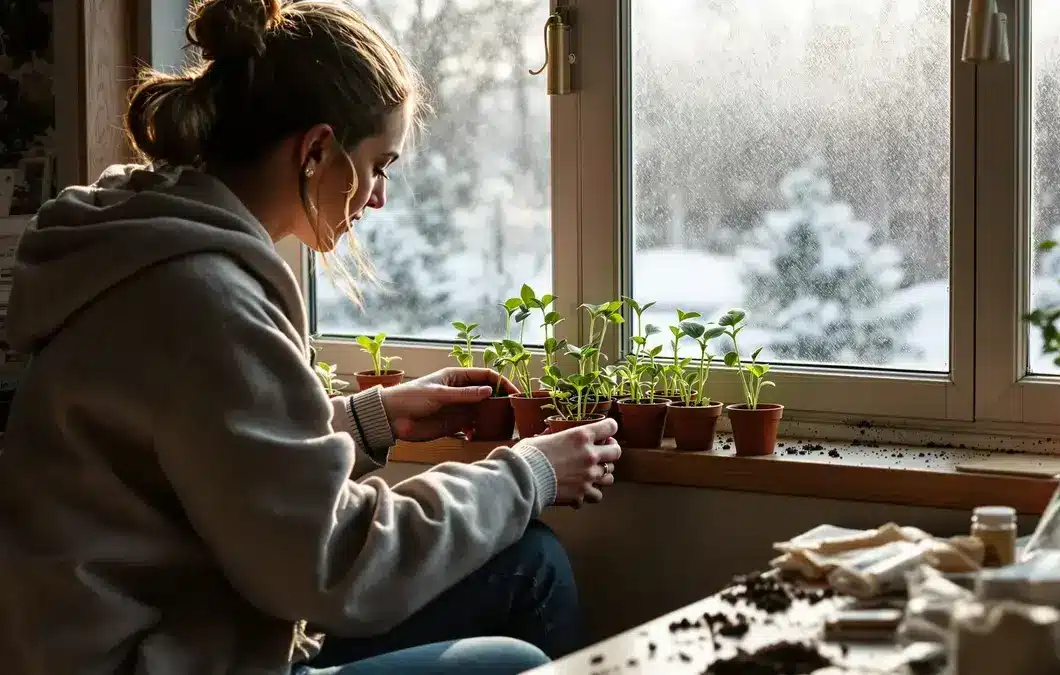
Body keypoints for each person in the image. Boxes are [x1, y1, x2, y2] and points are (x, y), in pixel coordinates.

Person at [0, 0, 623, 673]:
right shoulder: (205, 299)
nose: (379, 197)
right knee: (512, 649)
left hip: (160, 638)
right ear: (317, 150)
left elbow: (217, 453)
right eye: (379, 164)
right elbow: (335, 564)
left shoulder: (147, 247)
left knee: (530, 559)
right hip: (151, 660)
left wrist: (369, 419)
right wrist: (530, 473)